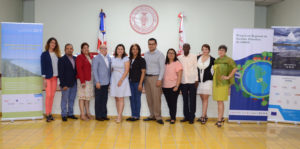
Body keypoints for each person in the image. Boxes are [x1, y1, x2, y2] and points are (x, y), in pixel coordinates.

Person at [213, 45, 237, 127]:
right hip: (216, 83)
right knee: (219, 101)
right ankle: (221, 117)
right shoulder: (216, 60)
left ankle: (219, 120)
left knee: (220, 101)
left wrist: (228, 77)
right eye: (219, 50)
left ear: (225, 51)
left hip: (223, 83)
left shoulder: (229, 60)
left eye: (222, 50)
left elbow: (235, 68)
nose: (220, 52)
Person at [143, 38, 165, 125]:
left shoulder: (160, 54)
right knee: (149, 98)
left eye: (152, 44)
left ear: (156, 45)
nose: (151, 45)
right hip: (147, 78)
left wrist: (160, 79)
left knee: (156, 98)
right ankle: (152, 115)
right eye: (149, 44)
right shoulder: (146, 54)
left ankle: (158, 116)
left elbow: (162, 68)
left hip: (156, 78)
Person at [41, 37, 61, 122]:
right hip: (48, 78)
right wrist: (44, 78)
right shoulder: (44, 54)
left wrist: (59, 79)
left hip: (55, 78)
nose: (53, 44)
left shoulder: (57, 55)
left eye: (54, 43)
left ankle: (50, 113)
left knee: (52, 96)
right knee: (48, 95)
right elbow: (43, 66)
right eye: (52, 42)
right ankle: (47, 114)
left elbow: (59, 67)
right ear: (49, 43)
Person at [178, 43, 198, 124]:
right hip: (183, 82)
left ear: (189, 48)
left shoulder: (194, 56)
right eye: (184, 47)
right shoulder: (179, 57)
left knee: (192, 100)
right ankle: (186, 116)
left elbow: (196, 68)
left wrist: (196, 80)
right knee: (185, 100)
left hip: (193, 81)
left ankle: (192, 117)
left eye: (187, 47)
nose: (186, 48)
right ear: (182, 48)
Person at [110, 44, 131, 123]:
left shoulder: (125, 58)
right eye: (118, 49)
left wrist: (121, 80)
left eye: (121, 49)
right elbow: (111, 69)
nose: (120, 50)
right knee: (116, 98)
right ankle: (119, 114)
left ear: (123, 50)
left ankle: (119, 116)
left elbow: (126, 70)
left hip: (122, 79)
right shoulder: (113, 58)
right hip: (114, 79)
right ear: (116, 50)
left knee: (121, 97)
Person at [58, 43, 78, 121]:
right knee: (64, 100)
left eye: (71, 48)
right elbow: (60, 73)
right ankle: (64, 114)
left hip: (74, 83)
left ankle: (70, 114)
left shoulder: (75, 58)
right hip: (65, 84)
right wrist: (63, 84)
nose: (69, 50)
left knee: (72, 99)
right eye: (67, 48)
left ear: (72, 50)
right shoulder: (62, 59)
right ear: (65, 50)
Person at [162, 48, 183, 124]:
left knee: (173, 103)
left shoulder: (177, 63)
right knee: (169, 103)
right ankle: (171, 117)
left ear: (175, 55)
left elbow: (180, 76)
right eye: (169, 53)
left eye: (172, 53)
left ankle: (173, 118)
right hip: (165, 87)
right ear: (167, 54)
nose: (171, 54)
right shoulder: (165, 63)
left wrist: (177, 86)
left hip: (174, 86)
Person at [196, 44, 215, 124]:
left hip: (208, 81)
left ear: (209, 50)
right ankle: (205, 115)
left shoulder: (213, 59)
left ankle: (203, 117)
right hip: (199, 81)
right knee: (202, 98)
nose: (204, 51)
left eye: (206, 49)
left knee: (205, 98)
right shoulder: (197, 58)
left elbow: (214, 71)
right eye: (203, 49)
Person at [127, 44, 146, 121]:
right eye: (133, 49)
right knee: (131, 99)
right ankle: (133, 115)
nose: (135, 50)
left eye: (136, 49)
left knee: (137, 99)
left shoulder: (141, 60)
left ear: (139, 50)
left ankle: (137, 116)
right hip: (130, 82)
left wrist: (141, 83)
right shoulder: (129, 59)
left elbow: (143, 72)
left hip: (138, 82)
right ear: (131, 50)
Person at [92, 44, 111, 121]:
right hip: (99, 83)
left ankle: (104, 115)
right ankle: (98, 116)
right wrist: (97, 82)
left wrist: (110, 81)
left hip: (106, 83)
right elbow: (94, 71)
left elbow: (109, 70)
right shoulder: (96, 58)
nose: (104, 49)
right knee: (98, 100)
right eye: (102, 48)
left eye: (105, 48)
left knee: (104, 100)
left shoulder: (109, 58)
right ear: (99, 49)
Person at [76, 42, 94, 121]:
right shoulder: (80, 57)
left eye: (87, 47)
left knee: (87, 98)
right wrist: (82, 81)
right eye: (84, 48)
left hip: (89, 80)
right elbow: (79, 69)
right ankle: (82, 114)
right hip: (82, 80)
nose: (86, 49)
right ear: (81, 49)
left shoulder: (90, 56)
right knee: (82, 98)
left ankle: (88, 113)